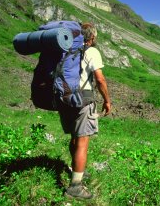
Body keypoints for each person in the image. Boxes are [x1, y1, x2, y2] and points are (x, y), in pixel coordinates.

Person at [58, 22, 111, 199]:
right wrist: (107, 101)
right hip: (83, 99)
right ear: (93, 37)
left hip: (65, 98)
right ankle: (75, 187)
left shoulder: (66, 50)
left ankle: (77, 170)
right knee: (82, 142)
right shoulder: (92, 51)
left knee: (74, 137)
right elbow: (100, 79)